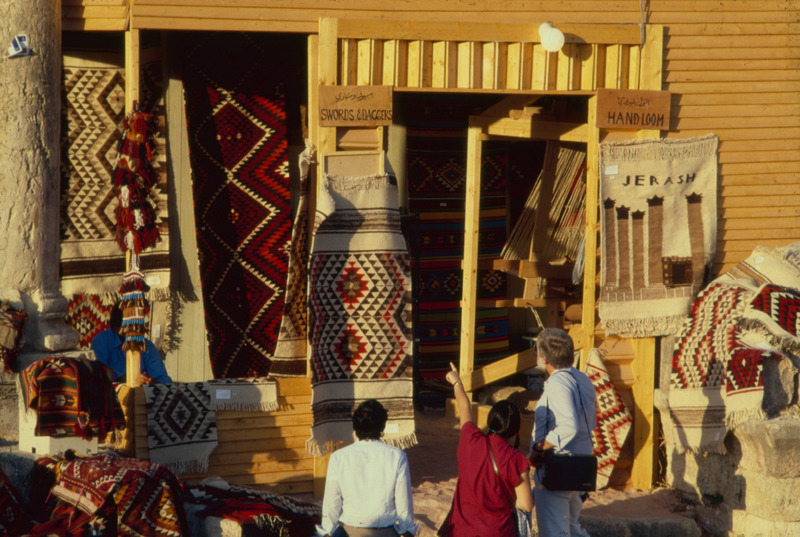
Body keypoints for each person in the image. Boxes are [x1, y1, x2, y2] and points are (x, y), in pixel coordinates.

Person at [444, 362, 533, 536]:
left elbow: (464, 407)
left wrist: (456, 382)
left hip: (461, 531)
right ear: (516, 431)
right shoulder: (516, 459)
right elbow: (526, 504)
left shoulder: (470, 438)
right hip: (497, 531)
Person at [529, 328, 596, 537]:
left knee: (555, 532)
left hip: (560, 466)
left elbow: (569, 426)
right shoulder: (582, 378)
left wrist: (540, 448)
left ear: (544, 358)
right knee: (572, 528)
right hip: (580, 464)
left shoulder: (558, 383)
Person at [318, 399, 417, 537]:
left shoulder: (338, 457)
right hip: (385, 532)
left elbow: (332, 503)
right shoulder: (397, 456)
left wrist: (327, 531)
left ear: (355, 426)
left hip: (349, 532)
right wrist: (407, 531)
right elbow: (403, 503)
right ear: (382, 426)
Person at [90, 304, 172, 385]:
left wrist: (152, 382)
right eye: (129, 327)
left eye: (137, 326)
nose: (134, 330)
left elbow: (165, 382)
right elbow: (98, 376)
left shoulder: (147, 345)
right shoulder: (102, 341)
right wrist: (129, 379)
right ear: (116, 327)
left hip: (143, 391)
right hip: (112, 392)